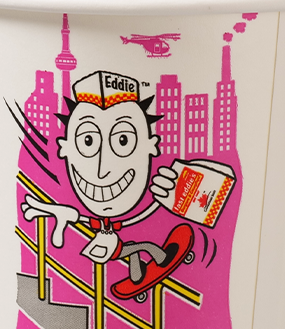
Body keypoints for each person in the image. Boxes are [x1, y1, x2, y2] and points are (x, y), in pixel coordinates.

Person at [20, 70, 193, 298]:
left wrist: (169, 194)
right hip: (109, 247)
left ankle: (140, 276)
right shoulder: (98, 220)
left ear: (152, 145)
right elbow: (79, 217)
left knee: (135, 250)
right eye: (88, 141)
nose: (102, 171)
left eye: (123, 140)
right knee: (139, 248)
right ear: (64, 147)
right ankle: (156, 262)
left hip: (110, 246)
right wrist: (58, 212)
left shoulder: (154, 190)